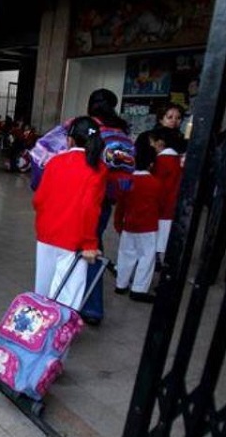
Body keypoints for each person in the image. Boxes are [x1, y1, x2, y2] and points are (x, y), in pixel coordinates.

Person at [33, 116, 107, 310]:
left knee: (43, 290)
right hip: (73, 241)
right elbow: (90, 208)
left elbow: (38, 200)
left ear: (70, 139)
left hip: (46, 235)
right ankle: (57, 337)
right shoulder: (97, 169)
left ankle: (37, 334)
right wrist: (90, 243)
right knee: (66, 297)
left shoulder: (54, 162)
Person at [79, 88, 133, 324]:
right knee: (93, 246)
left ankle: (83, 306)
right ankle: (91, 307)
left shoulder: (83, 128)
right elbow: (125, 173)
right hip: (104, 201)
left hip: (81, 197)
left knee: (76, 249)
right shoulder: (121, 134)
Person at [114, 138, 162, 303]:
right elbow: (160, 205)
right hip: (148, 227)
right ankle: (139, 289)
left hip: (129, 225)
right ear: (151, 164)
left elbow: (121, 204)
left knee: (126, 254)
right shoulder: (155, 184)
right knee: (146, 257)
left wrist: (118, 223)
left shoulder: (127, 182)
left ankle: (121, 283)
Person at [150, 126, 183, 262]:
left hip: (160, 208)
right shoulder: (179, 160)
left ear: (159, 143)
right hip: (175, 208)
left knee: (156, 243)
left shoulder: (160, 161)